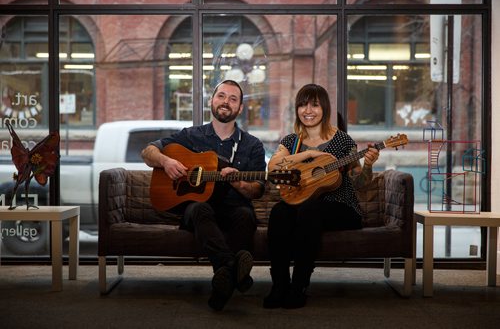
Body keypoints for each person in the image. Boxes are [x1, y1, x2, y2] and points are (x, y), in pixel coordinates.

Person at [141, 80, 266, 311]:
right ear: (212, 101)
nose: (225, 102)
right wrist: (166, 161)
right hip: (196, 210)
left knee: (246, 215)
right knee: (200, 208)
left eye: (233, 99)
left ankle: (224, 280)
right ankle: (232, 267)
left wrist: (239, 183)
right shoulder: (190, 136)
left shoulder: (252, 145)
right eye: (221, 96)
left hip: (234, 209)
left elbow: (258, 189)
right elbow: (148, 152)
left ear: (240, 108)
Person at [263, 83, 379, 309]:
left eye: (314, 105)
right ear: (297, 109)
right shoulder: (291, 142)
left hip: (342, 208)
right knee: (279, 212)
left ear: (324, 108)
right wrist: (307, 155)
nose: (308, 110)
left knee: (309, 209)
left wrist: (367, 166)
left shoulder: (343, 141)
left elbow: (361, 184)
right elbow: (274, 168)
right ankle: (279, 285)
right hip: (303, 207)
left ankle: (299, 286)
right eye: (303, 105)